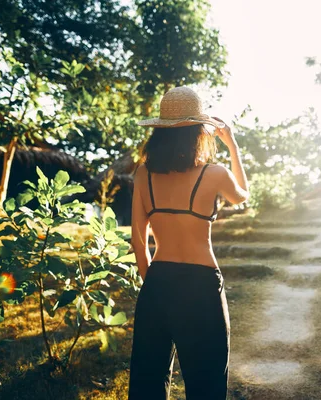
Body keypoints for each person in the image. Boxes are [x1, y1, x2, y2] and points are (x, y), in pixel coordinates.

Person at [128, 86, 249, 400]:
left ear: (160, 134)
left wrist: (153, 283)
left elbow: (138, 240)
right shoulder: (216, 174)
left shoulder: (143, 174)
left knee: (148, 383)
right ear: (199, 132)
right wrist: (232, 144)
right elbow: (242, 197)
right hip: (200, 286)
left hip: (157, 283)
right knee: (206, 381)